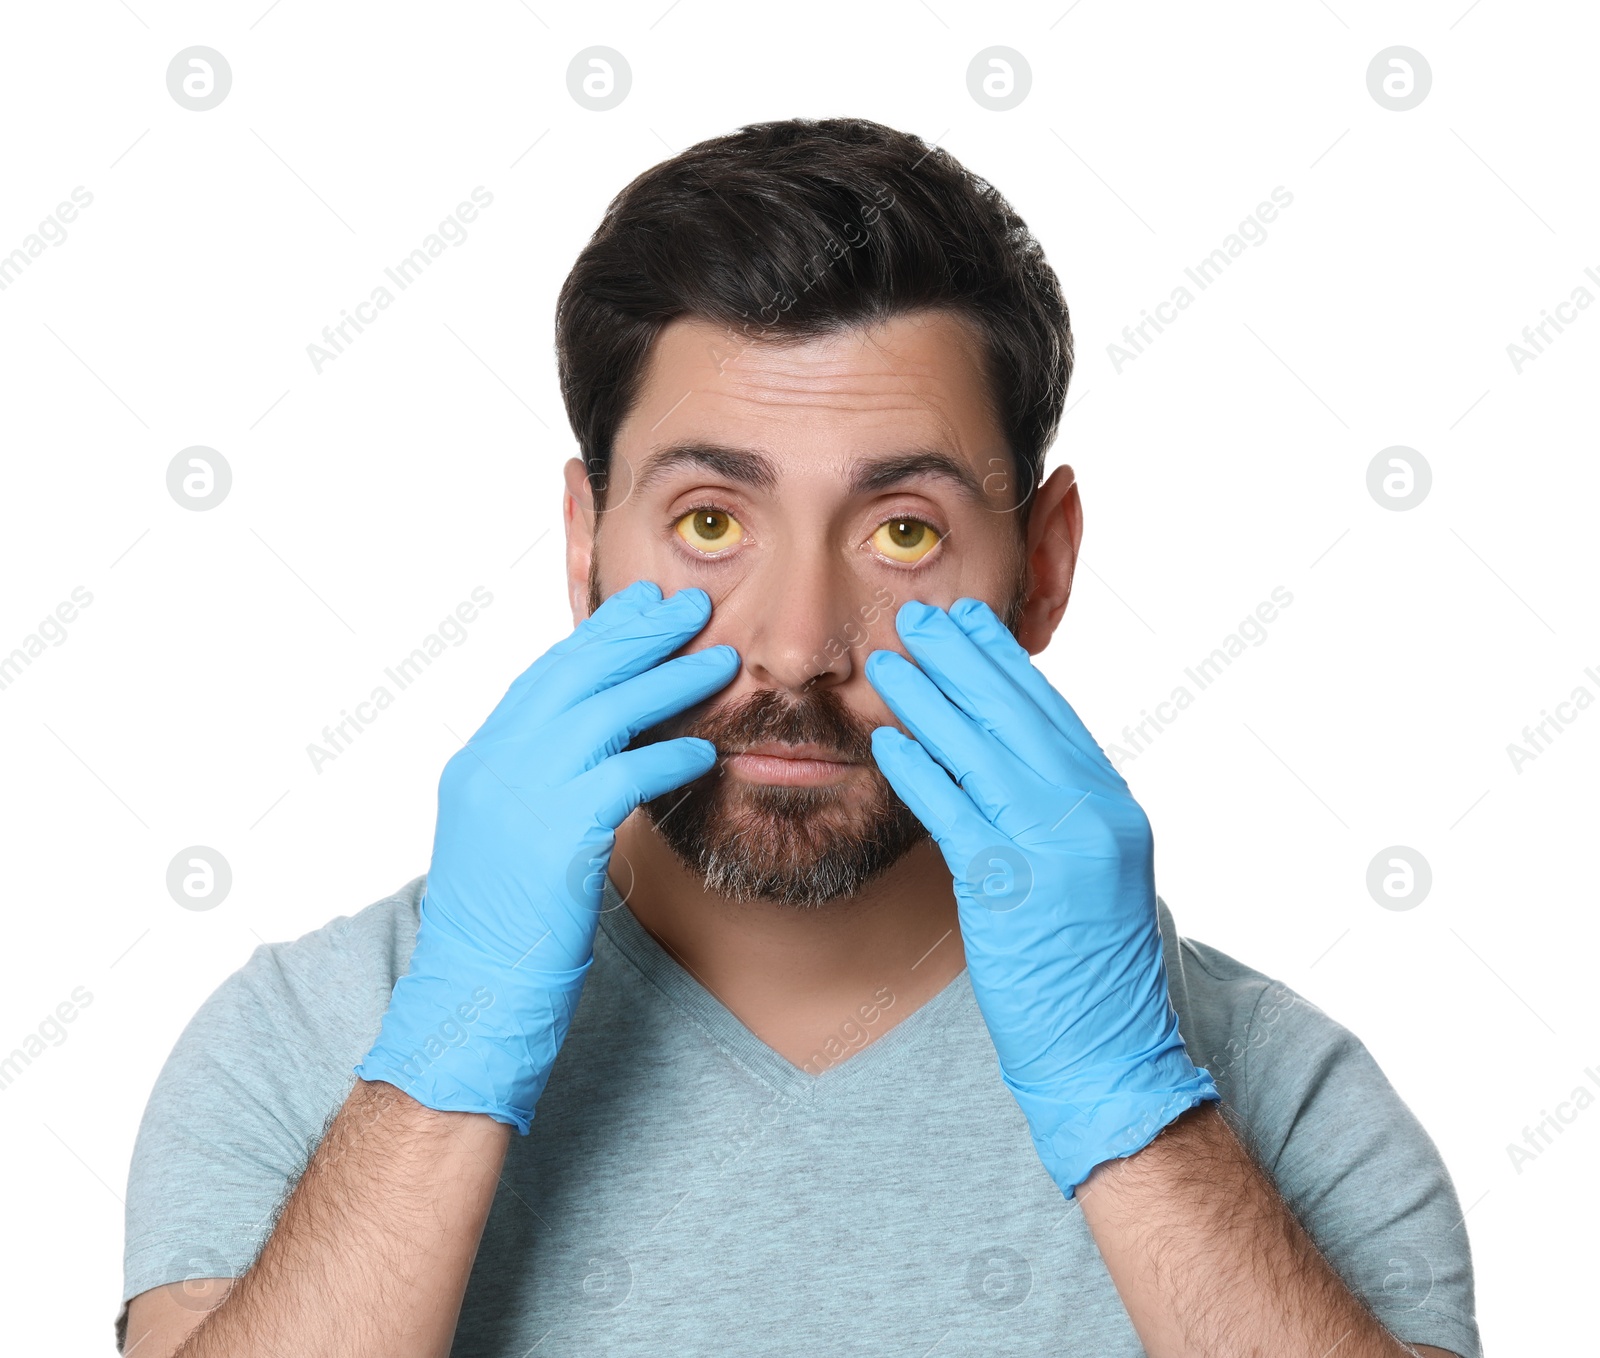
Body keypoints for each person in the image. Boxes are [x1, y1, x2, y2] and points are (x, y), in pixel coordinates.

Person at [119, 117, 1479, 1357]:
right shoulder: (304, 1045)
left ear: (1045, 566)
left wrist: (1129, 1104)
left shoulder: (1289, 1104)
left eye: (904, 531)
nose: (797, 639)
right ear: (588, 545)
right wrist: (444, 1064)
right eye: (712, 519)